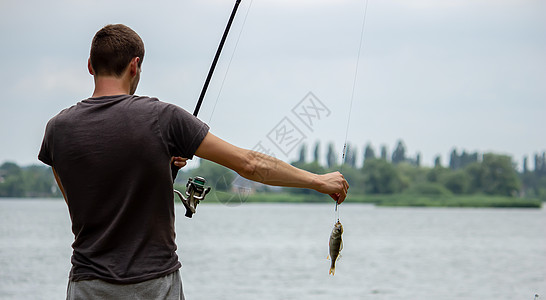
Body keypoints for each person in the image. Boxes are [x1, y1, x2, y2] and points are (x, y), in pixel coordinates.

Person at [39, 24, 349, 300]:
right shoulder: (163, 119)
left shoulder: (57, 130)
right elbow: (249, 164)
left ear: (91, 66)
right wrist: (318, 181)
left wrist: (155, 171)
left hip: (87, 285)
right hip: (154, 284)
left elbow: (80, 206)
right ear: (135, 66)